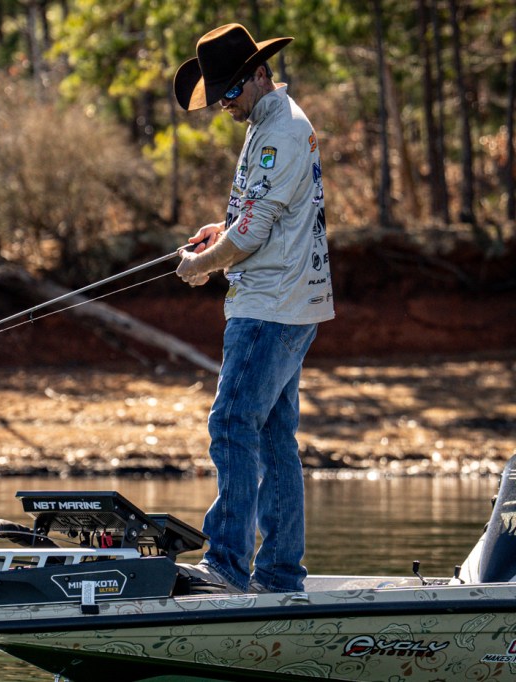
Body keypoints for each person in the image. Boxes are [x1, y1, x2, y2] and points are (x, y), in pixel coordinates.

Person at [172, 23, 334, 594]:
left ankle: (225, 565)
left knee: (232, 423)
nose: (224, 104)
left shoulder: (279, 133)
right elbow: (256, 215)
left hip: (268, 307)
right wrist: (219, 231)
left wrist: (202, 264)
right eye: (219, 95)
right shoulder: (270, 122)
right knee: (272, 435)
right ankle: (280, 574)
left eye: (230, 92)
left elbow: (253, 234)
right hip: (292, 303)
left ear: (259, 74)